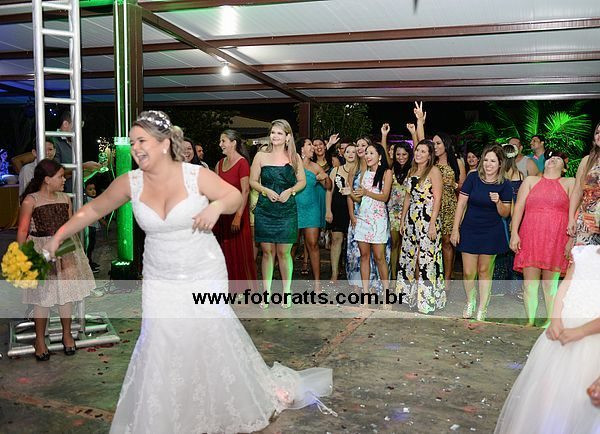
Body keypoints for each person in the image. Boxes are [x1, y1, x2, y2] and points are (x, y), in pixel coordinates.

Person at [43, 111, 332, 432]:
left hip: (202, 268)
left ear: (164, 143)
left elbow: (233, 196)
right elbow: (93, 209)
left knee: (206, 334)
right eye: (133, 142)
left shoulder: (195, 175)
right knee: (160, 336)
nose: (135, 148)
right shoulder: (130, 182)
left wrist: (215, 207)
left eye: (142, 141)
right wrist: (58, 236)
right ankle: (167, 410)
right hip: (159, 274)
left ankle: (215, 400)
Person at [494, 245, 600, 433]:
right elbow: (565, 287)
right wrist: (556, 319)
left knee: (581, 404)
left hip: (592, 342)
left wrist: (580, 332)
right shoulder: (583, 254)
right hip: (563, 335)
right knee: (548, 396)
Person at [17, 159, 94, 361]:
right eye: (60, 176)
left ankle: (67, 334)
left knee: (66, 294)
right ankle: (40, 340)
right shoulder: (30, 200)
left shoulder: (65, 198)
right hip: (41, 250)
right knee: (42, 297)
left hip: (65, 250)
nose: (64, 180)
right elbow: (23, 231)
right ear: (47, 179)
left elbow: (69, 224)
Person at [511, 151, 574, 326]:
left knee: (549, 285)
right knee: (529, 284)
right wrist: (514, 233)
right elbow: (519, 207)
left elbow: (575, 213)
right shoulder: (530, 181)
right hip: (531, 236)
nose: (553, 159)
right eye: (551, 157)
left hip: (556, 238)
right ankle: (530, 321)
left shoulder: (570, 182)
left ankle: (549, 321)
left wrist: (571, 239)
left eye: (558, 158)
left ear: (564, 168)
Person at [451, 145, 512, 321]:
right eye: (486, 160)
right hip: (470, 228)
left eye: (493, 161)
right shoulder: (473, 178)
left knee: (484, 270)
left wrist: (498, 202)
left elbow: (505, 213)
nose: (488, 164)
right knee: (468, 272)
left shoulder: (505, 184)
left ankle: (483, 307)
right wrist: (455, 229)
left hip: (491, 231)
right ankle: (470, 301)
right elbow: (461, 204)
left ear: (500, 164)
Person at [250, 119, 306, 308]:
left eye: (279, 133)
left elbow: (302, 182)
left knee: (284, 253)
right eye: (273, 132)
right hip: (265, 209)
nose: (275, 136)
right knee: (267, 253)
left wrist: (291, 191)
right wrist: (266, 190)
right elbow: (253, 181)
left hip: (287, 209)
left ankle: (286, 292)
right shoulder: (260, 156)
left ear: (288, 137)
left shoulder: (294, 157)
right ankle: (266, 293)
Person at [396, 140, 446, 314]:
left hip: (427, 219)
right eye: (417, 150)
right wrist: (403, 220)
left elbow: (438, 199)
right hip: (411, 219)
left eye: (423, 151)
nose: (418, 154)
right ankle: (408, 298)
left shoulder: (434, 171)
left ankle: (427, 301)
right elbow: (407, 197)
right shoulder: (412, 171)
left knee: (427, 259)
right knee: (409, 258)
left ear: (430, 155)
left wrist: (432, 224)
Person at [214, 129, 258, 293]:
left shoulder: (242, 163)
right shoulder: (219, 164)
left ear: (233, 143)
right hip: (223, 215)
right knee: (225, 253)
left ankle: (244, 292)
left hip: (237, 214)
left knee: (240, 254)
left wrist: (239, 216)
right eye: (220, 141)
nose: (220, 144)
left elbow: (245, 191)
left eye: (223, 141)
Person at [354, 143, 392, 301]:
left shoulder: (387, 172)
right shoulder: (364, 172)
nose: (367, 156)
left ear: (380, 156)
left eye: (371, 153)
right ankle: (365, 293)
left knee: (379, 257)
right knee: (364, 256)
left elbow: (385, 197)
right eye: (366, 153)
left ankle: (386, 293)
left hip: (378, 219)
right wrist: (350, 193)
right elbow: (360, 198)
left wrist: (366, 192)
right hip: (363, 217)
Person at [296, 138, 331, 292]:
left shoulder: (315, 167)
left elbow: (328, 186)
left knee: (313, 245)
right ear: (301, 149)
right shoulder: (292, 165)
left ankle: (317, 283)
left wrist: (326, 178)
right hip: (294, 209)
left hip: (311, 210)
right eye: (309, 144)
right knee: (291, 245)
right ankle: (286, 283)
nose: (313, 147)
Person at [433, 132, 466, 285]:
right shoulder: (431, 162)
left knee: (447, 241)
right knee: (433, 241)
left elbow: (464, 188)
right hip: (432, 204)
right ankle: (434, 276)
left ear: (446, 144)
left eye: (438, 143)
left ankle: (447, 278)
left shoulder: (457, 162)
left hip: (449, 204)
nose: (435, 146)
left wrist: (454, 185)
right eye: (433, 143)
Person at [326, 143, 357, 282]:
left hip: (355, 209)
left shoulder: (361, 171)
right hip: (338, 208)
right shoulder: (336, 170)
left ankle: (353, 274)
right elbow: (329, 191)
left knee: (353, 243)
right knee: (336, 240)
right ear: (343, 154)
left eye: (353, 151)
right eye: (347, 151)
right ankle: (334, 273)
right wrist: (328, 210)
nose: (350, 154)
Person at [568, 120, 600, 246]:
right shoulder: (587, 160)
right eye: (597, 132)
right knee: (584, 257)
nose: (599, 135)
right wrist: (571, 218)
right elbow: (577, 191)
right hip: (587, 222)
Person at [53, 111, 101, 192]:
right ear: (65, 124)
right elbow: (54, 173)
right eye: (77, 126)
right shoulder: (53, 142)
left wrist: (93, 169)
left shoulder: (74, 142)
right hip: (63, 194)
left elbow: (76, 174)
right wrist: (83, 166)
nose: (79, 131)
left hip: (76, 193)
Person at [387, 141, 412, 280]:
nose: (401, 157)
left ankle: (405, 276)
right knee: (394, 244)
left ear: (409, 155)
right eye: (398, 154)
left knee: (407, 245)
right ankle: (393, 276)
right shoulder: (391, 169)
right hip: (393, 211)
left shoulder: (413, 170)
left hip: (409, 211)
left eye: (404, 154)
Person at [84, 180, 102, 274]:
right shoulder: (87, 200)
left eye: (94, 189)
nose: (93, 191)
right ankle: (88, 264)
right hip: (89, 226)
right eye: (90, 189)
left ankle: (90, 261)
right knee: (89, 246)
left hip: (92, 226)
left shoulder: (92, 200)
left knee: (91, 246)